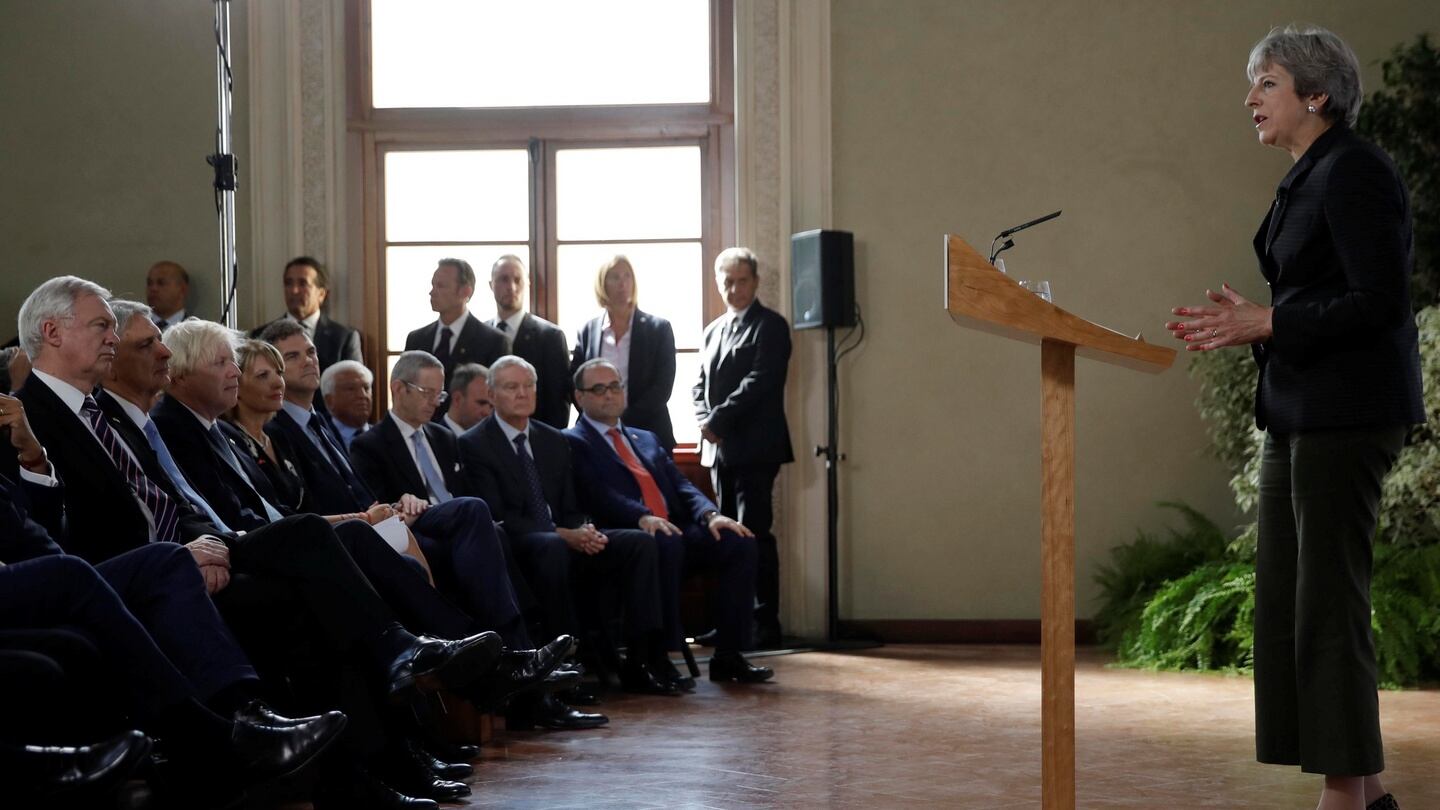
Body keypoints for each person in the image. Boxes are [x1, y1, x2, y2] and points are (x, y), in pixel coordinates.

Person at [1165, 25, 1419, 810]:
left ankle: (1343, 796)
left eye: (1266, 83)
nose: (1250, 99)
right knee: (1289, 601)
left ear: (1317, 93)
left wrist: (1270, 322)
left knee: (1326, 607)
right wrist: (1260, 321)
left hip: (1347, 414)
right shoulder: (1310, 175)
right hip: (1298, 411)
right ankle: (1366, 794)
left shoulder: (1354, 173)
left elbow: (1378, 302)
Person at [460, 356, 676, 696]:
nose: (523, 394)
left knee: (638, 543)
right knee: (552, 547)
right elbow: (498, 516)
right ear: (491, 393)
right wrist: (563, 534)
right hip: (521, 546)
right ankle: (563, 665)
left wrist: (584, 531)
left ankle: (641, 660)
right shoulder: (474, 444)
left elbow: (572, 507)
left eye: (529, 386)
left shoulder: (552, 439)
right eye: (511, 387)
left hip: (568, 536)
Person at [567, 358, 773, 686]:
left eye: (615, 386)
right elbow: (597, 494)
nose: (610, 395)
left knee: (739, 541)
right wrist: (641, 516)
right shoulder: (572, 441)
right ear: (580, 397)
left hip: (673, 529)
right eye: (599, 389)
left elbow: (681, 485)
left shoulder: (645, 437)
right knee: (663, 541)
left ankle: (729, 656)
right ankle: (655, 658)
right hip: (623, 536)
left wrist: (711, 514)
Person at [693, 247, 794, 648]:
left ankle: (764, 622)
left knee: (754, 534)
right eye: (727, 282)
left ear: (755, 282)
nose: (734, 289)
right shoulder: (713, 330)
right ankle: (730, 622)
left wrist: (717, 421)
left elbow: (761, 381)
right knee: (727, 538)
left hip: (756, 448)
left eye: (741, 281)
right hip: (719, 451)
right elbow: (698, 383)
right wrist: (705, 421)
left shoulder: (770, 325)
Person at [570, 255, 678, 451]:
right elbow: (575, 381)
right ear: (602, 284)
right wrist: (598, 415)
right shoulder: (588, 330)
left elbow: (662, 386)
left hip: (648, 430)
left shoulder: (658, 329)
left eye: (627, 276)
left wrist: (620, 418)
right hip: (596, 433)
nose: (622, 284)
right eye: (615, 277)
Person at [488, 255, 572, 428]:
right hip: (486, 439)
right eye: (503, 279)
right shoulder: (480, 335)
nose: (511, 287)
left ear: (527, 284)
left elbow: (558, 402)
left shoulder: (550, 337)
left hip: (536, 439)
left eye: (518, 280)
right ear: (491, 285)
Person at [404, 258, 507, 396]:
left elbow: (497, 395)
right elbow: (405, 389)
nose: (432, 292)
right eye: (433, 285)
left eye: (440, 286)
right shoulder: (416, 339)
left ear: (465, 292)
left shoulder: (493, 341)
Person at [250, 256, 363, 372]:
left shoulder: (344, 338)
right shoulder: (260, 336)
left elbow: (354, 384)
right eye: (288, 283)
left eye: (303, 283)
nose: (294, 290)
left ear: (321, 294)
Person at [321, 360, 374, 450]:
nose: (362, 395)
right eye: (351, 389)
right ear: (330, 400)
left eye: (366, 388)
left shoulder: (386, 437)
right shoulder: (321, 439)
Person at [443, 362, 492, 436]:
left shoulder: (493, 442)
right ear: (457, 399)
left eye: (492, 406)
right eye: (481, 403)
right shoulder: (430, 441)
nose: (487, 412)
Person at [145, 260, 191, 328]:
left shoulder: (199, 333)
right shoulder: (133, 329)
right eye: (149, 283)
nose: (153, 288)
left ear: (182, 290)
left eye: (161, 283)